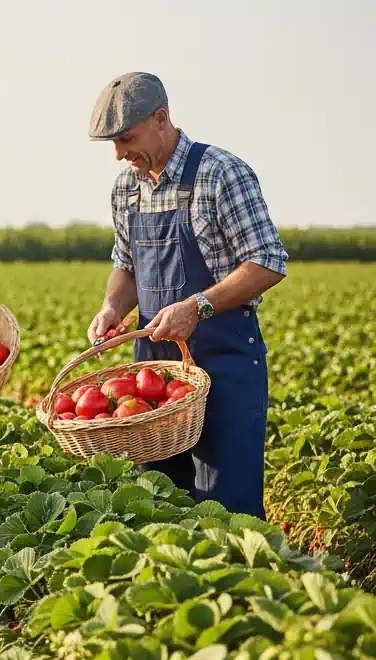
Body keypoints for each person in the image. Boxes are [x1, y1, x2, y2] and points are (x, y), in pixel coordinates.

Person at [85, 72, 287, 519]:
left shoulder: (220, 173)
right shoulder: (126, 188)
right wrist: (112, 307)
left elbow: (267, 261)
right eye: (113, 143)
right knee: (158, 505)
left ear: (161, 119)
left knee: (225, 511)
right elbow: (126, 264)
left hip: (224, 367)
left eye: (126, 139)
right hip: (153, 380)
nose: (119, 154)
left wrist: (198, 306)